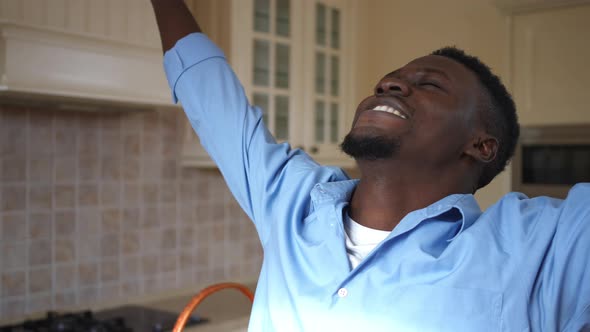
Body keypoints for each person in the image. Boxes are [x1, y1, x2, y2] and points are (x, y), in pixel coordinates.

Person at [151, 1, 590, 331]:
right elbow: (206, 89)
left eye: (430, 84)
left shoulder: (541, 248)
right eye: (388, 80)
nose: (390, 83)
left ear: (481, 145)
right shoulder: (291, 201)